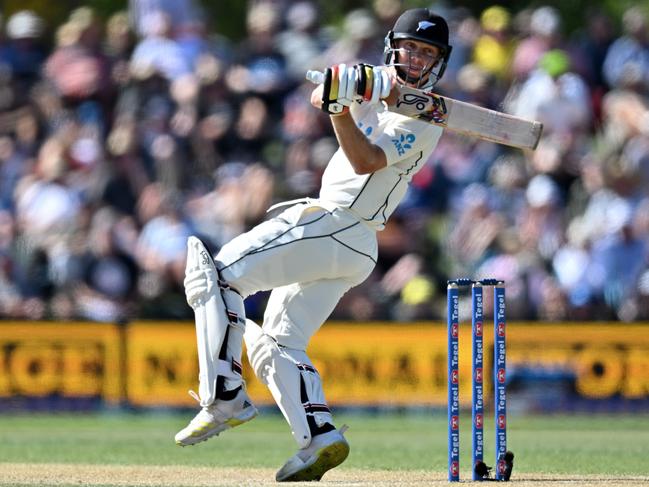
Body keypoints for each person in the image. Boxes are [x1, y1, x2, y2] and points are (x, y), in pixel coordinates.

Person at [174, 8, 452, 482]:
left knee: (216, 274)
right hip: (350, 243)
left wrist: (339, 108)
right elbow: (317, 91)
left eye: (428, 53)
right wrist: (341, 85)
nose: (417, 58)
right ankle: (319, 433)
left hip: (341, 223)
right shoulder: (380, 85)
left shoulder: (429, 114)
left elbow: (365, 161)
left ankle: (221, 394)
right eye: (410, 47)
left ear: (438, 63)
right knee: (278, 343)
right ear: (393, 46)